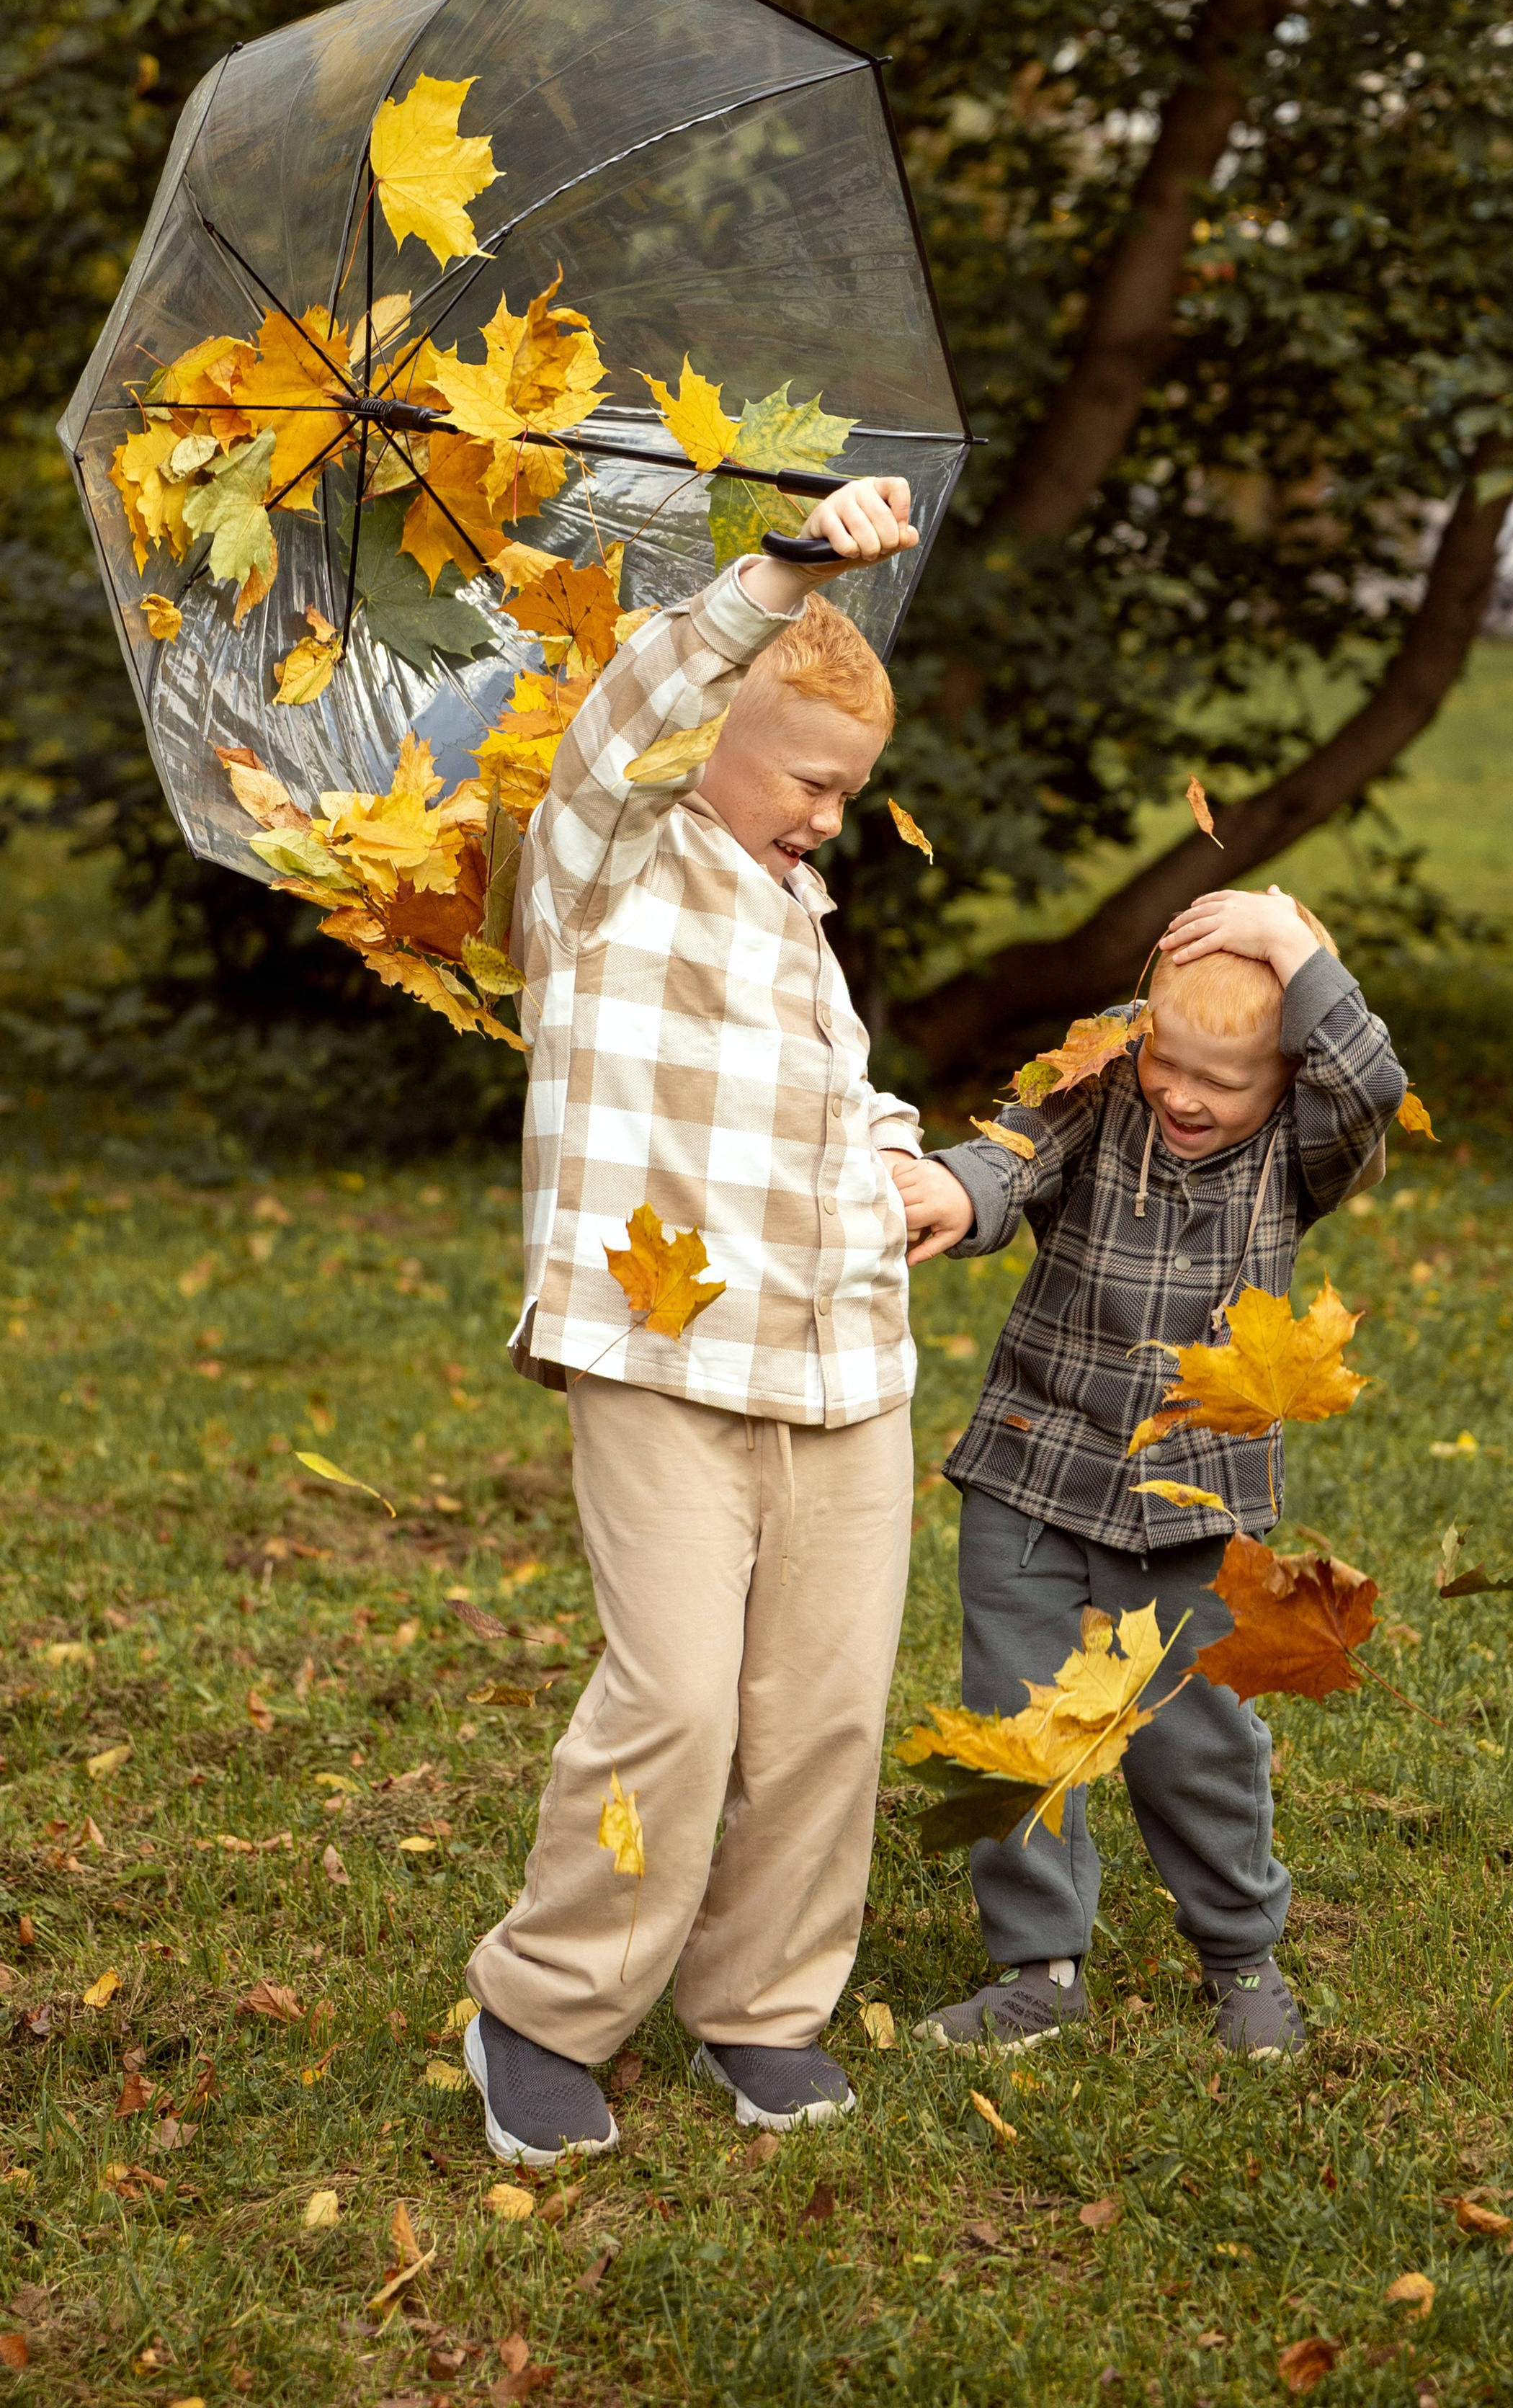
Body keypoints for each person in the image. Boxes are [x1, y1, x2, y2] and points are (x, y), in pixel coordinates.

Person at [463, 479, 924, 2167]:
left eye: (848, 792)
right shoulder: (598, 874)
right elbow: (625, 714)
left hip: (842, 1360)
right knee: (675, 1700)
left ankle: (762, 2005)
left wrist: (908, 1170)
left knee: (822, 1708)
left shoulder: (796, 921)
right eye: (808, 778)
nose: (827, 815)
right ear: (720, 734)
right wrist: (783, 572)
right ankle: (543, 2007)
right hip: (661, 1358)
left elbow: (843, 1090)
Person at [891, 886, 1404, 2058]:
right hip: (1032, 1474)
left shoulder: (1296, 1156)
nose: (1183, 1093)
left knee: (1198, 1739)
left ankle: (1240, 1957)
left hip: (1194, 1505)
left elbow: (1369, 1084)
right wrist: (955, 1190)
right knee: (1022, 1721)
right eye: (1169, 1062)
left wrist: (1291, 943)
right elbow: (1017, 1149)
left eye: (1223, 1083)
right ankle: (1039, 1969)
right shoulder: (1111, 1092)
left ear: (1280, 1087)